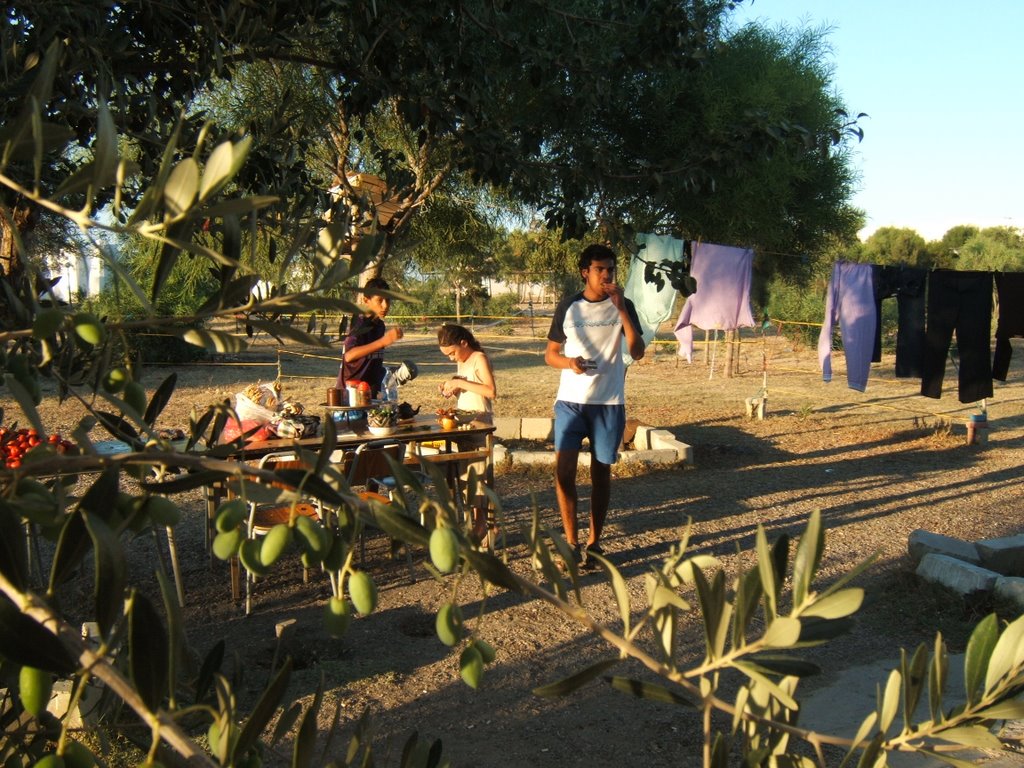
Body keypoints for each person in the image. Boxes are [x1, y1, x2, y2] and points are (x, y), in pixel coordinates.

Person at [545, 243, 645, 569]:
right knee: (564, 474)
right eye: (600, 269)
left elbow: (638, 350)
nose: (606, 275)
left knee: (601, 473)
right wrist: (569, 363)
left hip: (608, 402)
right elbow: (550, 355)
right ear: (585, 272)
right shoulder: (568, 307)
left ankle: (595, 543)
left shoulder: (623, 304)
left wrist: (622, 310)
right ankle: (571, 543)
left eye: (611, 269)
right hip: (570, 403)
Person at [437, 323, 497, 543]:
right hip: (464, 423)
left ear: (464, 342)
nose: (452, 358)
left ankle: (484, 527)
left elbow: (490, 391)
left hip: (480, 425)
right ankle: (481, 526)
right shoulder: (463, 362)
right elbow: (471, 389)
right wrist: (452, 388)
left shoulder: (479, 358)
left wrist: (461, 382)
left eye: (452, 352)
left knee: (478, 475)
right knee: (466, 476)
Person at [336, 277, 403, 398]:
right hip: (350, 396)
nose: (385, 305)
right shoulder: (359, 324)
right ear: (366, 300)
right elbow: (349, 355)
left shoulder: (379, 326)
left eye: (388, 300)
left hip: (368, 394)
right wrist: (383, 342)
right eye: (380, 300)